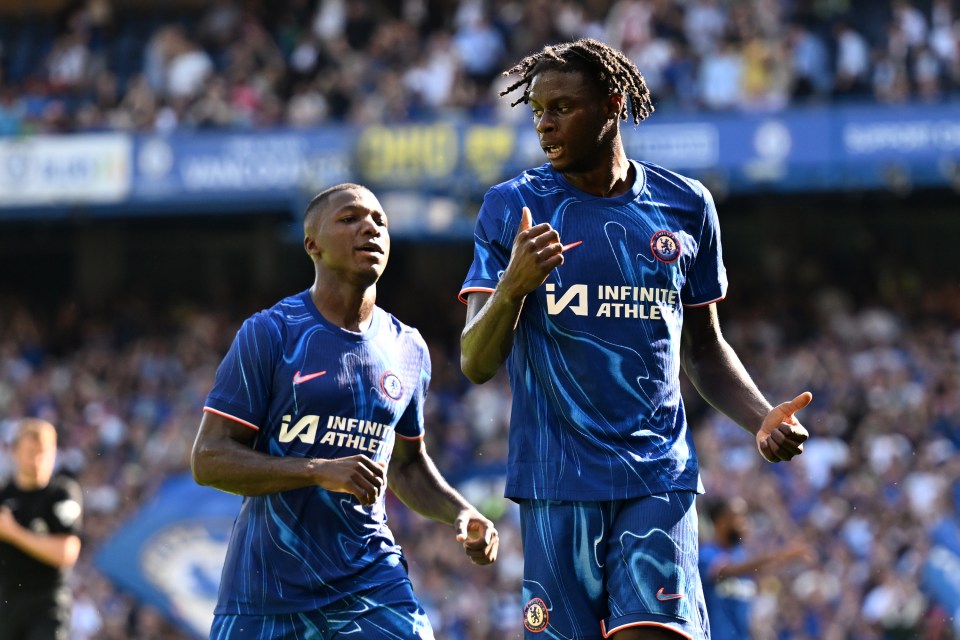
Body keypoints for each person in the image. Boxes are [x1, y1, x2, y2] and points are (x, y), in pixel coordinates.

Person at [458, 38, 812, 640]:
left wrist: (759, 418)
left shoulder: (685, 206)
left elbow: (704, 348)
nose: (546, 123)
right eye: (538, 110)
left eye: (563, 107)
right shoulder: (511, 207)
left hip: (656, 471)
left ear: (613, 104)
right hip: (554, 481)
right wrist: (514, 286)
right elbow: (474, 361)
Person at [191, 182, 499, 640]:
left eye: (380, 221)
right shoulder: (270, 333)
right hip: (266, 595)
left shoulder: (408, 348)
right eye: (351, 218)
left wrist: (460, 512)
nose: (370, 228)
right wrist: (317, 469)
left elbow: (407, 466)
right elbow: (208, 459)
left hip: (370, 585)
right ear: (311, 243)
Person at [0, 418, 84, 640]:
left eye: (44, 453)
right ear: (15, 451)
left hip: (45, 606)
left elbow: (66, 553)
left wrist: (14, 532)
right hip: (6, 604)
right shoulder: (3, 495)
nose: (37, 460)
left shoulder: (62, 494)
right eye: (30, 452)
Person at [699, 496, 815, 640]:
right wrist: (781, 554)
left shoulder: (741, 556)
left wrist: (788, 558)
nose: (744, 523)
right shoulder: (706, 554)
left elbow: (762, 569)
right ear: (721, 522)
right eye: (738, 517)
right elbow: (727, 571)